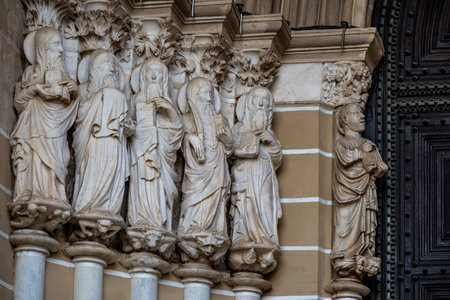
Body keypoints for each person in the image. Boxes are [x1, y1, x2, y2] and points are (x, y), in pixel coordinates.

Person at [10, 27, 77, 232]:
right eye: (56, 45)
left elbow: (71, 101)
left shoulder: (65, 75)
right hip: (35, 126)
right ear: (43, 48)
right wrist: (36, 88)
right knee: (36, 158)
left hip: (56, 127)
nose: (60, 51)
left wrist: (71, 93)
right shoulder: (32, 73)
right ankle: (34, 193)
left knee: (59, 159)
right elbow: (19, 102)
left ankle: (54, 194)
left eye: (61, 46)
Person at [124, 58, 183, 258]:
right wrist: (129, 128)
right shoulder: (136, 100)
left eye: (158, 73)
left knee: (159, 190)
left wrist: (169, 111)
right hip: (140, 153)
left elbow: (176, 136)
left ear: (164, 78)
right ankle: (141, 220)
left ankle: (159, 221)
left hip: (161, 157)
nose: (153, 77)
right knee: (142, 185)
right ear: (142, 76)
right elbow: (129, 122)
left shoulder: (169, 105)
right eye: (149, 72)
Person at [72, 50, 129, 241]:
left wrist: (127, 125)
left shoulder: (119, 95)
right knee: (93, 173)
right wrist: (104, 98)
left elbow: (126, 124)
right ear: (95, 68)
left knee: (113, 173)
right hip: (95, 141)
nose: (112, 68)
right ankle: (88, 205)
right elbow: (79, 116)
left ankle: (107, 209)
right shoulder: (84, 90)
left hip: (114, 144)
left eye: (114, 65)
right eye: (107, 64)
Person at [177, 77, 233, 264]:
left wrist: (225, 139)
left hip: (217, 165)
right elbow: (177, 140)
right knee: (196, 199)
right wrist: (190, 139)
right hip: (198, 170)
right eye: (204, 94)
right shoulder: (186, 119)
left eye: (211, 94)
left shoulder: (219, 119)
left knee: (216, 198)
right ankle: (193, 226)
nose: (209, 99)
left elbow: (230, 147)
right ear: (194, 95)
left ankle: (212, 228)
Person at [228, 86, 282, 274]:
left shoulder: (269, 133)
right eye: (258, 100)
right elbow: (230, 151)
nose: (262, 104)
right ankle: (243, 236)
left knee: (264, 203)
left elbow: (277, 159)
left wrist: (271, 142)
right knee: (246, 204)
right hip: (244, 173)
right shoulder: (239, 129)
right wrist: (246, 150)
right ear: (249, 104)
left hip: (265, 174)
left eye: (266, 102)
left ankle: (265, 237)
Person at [332, 103, 388, 277]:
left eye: (362, 112)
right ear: (345, 120)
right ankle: (344, 255)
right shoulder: (342, 142)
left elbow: (380, 167)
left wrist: (376, 167)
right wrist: (362, 153)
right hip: (347, 192)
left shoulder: (368, 144)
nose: (362, 116)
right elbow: (345, 159)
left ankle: (363, 253)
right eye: (356, 113)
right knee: (344, 223)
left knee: (364, 226)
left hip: (366, 191)